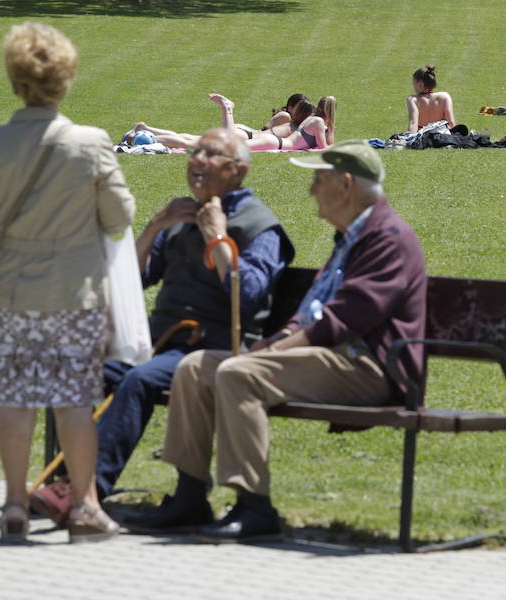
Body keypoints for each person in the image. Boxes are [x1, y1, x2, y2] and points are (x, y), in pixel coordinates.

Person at [124, 140, 427, 541]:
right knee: (195, 368)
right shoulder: (353, 236)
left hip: (372, 368)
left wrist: (273, 349)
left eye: (319, 181)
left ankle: (255, 506)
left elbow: (340, 322)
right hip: (332, 357)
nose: (311, 191)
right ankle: (189, 497)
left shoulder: (388, 238)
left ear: (346, 185)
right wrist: (278, 340)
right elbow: (313, 311)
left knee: (239, 373)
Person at [29, 127, 296, 528]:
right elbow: (132, 280)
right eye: (195, 152)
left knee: (139, 380)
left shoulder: (260, 225)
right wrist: (155, 226)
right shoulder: (181, 216)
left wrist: (218, 237)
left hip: (214, 347)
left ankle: (82, 492)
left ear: (239, 171)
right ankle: (65, 484)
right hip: (158, 343)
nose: (197, 161)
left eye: (211, 154)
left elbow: (250, 295)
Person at [0, 22, 136, 544]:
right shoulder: (90, 144)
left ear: (15, 79)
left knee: (16, 400)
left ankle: (14, 504)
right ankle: (85, 508)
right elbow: (119, 217)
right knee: (74, 402)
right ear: (66, 78)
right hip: (76, 297)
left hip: (11, 293)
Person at [126, 93, 309, 148]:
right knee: (192, 144)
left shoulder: (286, 117)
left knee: (192, 138)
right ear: (291, 107)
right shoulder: (286, 117)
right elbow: (264, 131)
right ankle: (144, 140)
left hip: (245, 132)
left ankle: (146, 129)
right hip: (246, 135)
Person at [214, 93, 336, 151]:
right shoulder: (318, 122)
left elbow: (326, 142)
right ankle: (227, 108)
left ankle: (227, 108)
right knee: (229, 147)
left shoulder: (312, 120)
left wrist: (330, 127)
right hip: (274, 142)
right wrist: (332, 126)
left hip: (272, 140)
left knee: (225, 147)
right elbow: (323, 147)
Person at [406, 65, 455, 132]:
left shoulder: (413, 99)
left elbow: (413, 123)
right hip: (441, 135)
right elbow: (451, 122)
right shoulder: (445, 96)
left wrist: (410, 136)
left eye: (414, 83)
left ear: (420, 84)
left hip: (423, 136)